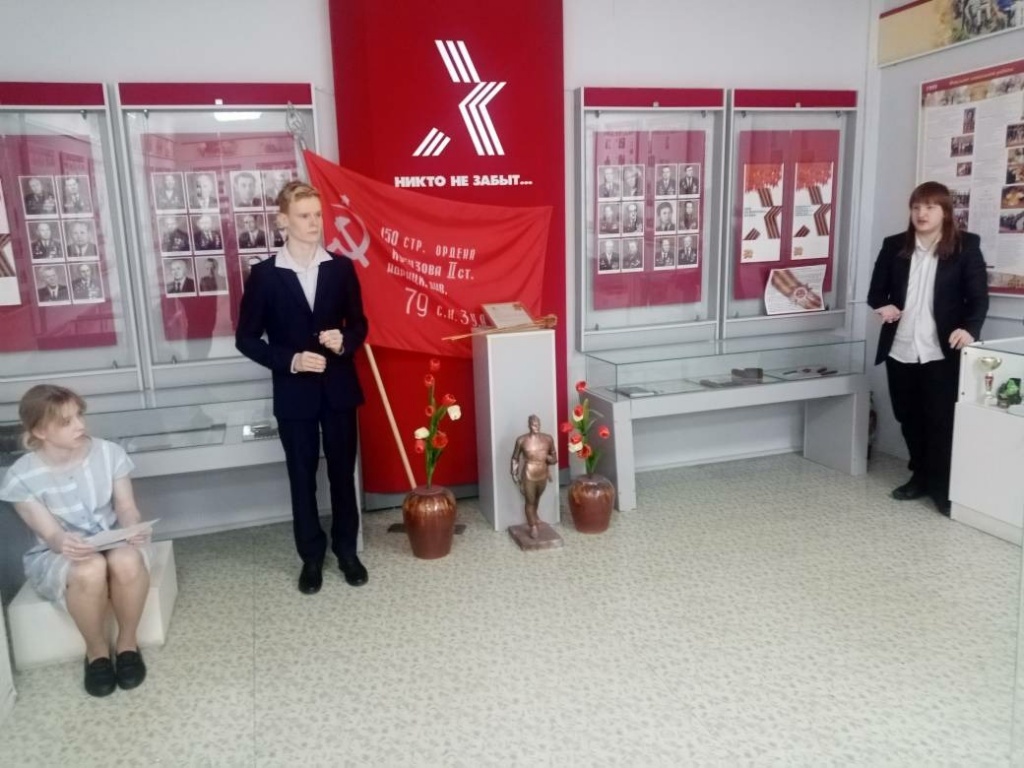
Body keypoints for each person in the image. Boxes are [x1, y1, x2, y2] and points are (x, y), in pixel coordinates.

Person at [236, 181, 369, 595]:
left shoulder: (340, 268)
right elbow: (246, 339)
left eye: (317, 215)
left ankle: (346, 550)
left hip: (339, 389)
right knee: (301, 476)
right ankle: (311, 557)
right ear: (283, 221)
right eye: (304, 216)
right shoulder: (264, 276)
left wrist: (344, 341)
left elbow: (359, 324)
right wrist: (291, 360)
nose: (314, 223)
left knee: (343, 474)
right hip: (294, 395)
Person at [0, 385, 153, 697]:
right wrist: (63, 541)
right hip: (58, 552)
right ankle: (96, 653)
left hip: (110, 536)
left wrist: (132, 526)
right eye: (66, 422)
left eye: (79, 415)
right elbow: (51, 535)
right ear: (39, 431)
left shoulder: (109, 453)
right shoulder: (20, 477)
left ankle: (127, 644)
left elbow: (125, 507)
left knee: (127, 559)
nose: (80, 425)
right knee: (89, 568)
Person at [867, 181, 989, 516]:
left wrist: (970, 329)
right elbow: (876, 292)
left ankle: (941, 486)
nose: (922, 213)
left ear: (945, 212)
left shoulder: (965, 246)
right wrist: (883, 306)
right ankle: (919, 476)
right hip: (901, 348)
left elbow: (978, 298)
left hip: (940, 350)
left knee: (940, 421)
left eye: (930, 207)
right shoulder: (894, 245)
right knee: (908, 417)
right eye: (917, 207)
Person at [509, 415, 557, 539]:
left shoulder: (548, 439)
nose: (537, 426)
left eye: (538, 424)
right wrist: (514, 474)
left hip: (542, 473)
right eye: (534, 424)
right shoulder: (521, 440)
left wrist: (549, 458)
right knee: (530, 501)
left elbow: (554, 458)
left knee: (537, 498)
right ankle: (533, 526)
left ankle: (534, 515)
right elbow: (515, 458)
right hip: (528, 474)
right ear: (529, 425)